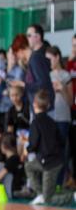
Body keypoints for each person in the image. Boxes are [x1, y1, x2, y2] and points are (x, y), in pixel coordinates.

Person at [24, 90, 75, 206]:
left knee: (49, 200)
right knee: (29, 167)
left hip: (49, 164)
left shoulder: (35, 123)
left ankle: (72, 196)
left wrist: (27, 151)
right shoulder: (53, 122)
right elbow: (61, 141)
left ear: (34, 104)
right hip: (53, 160)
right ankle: (40, 194)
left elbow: (33, 143)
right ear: (48, 106)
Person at [45, 46, 72, 186]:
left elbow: (70, 101)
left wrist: (62, 90)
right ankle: (49, 183)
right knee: (50, 150)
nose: (48, 61)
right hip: (49, 117)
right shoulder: (46, 75)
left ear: (57, 57)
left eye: (49, 58)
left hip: (62, 117)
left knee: (61, 151)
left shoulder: (66, 75)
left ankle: (60, 183)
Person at [12, 28, 54, 115]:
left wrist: (23, 84)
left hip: (43, 110)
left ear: (20, 50)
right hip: (39, 109)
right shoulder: (33, 60)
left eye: (17, 54)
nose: (18, 58)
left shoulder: (35, 59)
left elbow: (42, 83)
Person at [0, 133, 25, 199]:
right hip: (15, 189)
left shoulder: (12, 160)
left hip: (11, 191)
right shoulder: (15, 158)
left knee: (0, 165)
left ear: (4, 146)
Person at [5, 85, 30, 160]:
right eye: (12, 95)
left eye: (16, 95)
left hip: (30, 132)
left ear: (21, 94)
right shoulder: (11, 111)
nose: (14, 98)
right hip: (19, 135)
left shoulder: (28, 106)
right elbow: (10, 128)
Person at [66, 33, 76, 187]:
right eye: (74, 45)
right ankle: (72, 178)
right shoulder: (69, 64)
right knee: (72, 146)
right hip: (72, 108)